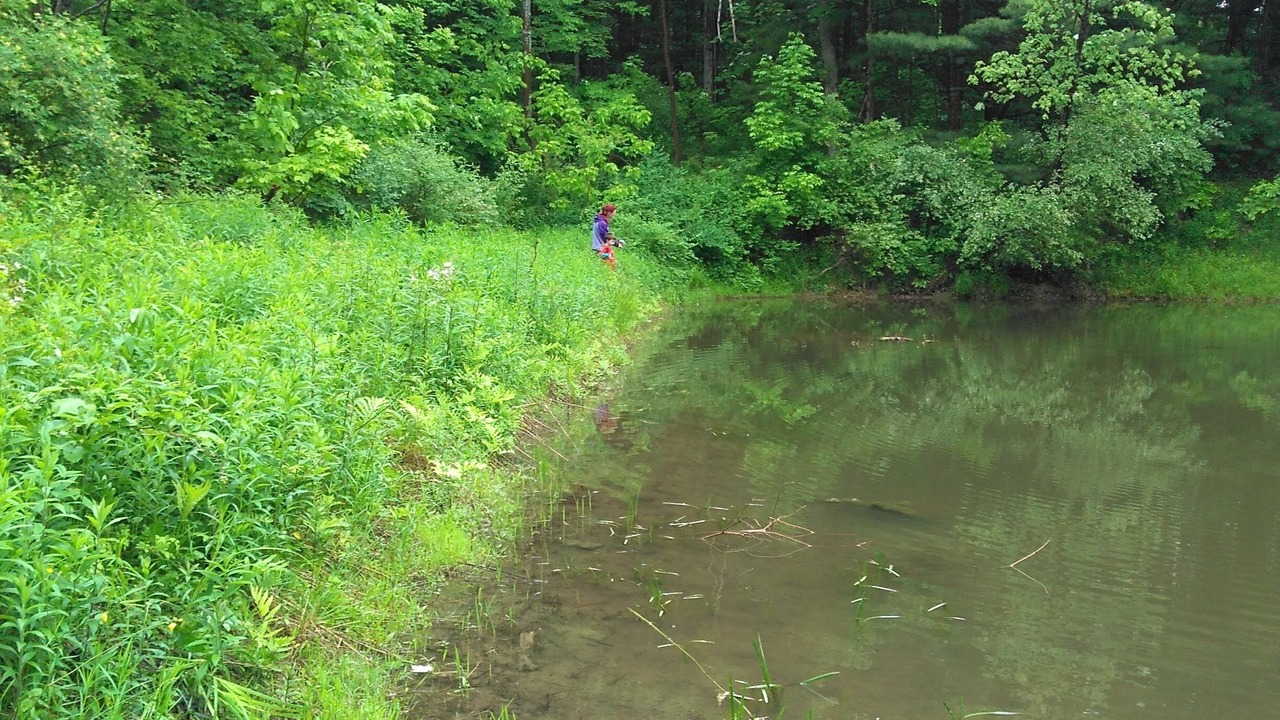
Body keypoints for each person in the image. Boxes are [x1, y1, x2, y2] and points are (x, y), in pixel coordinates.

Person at [592, 204, 617, 268]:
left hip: (598, 247)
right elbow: (605, 237)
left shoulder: (598, 220)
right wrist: (616, 243)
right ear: (609, 213)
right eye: (614, 213)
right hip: (601, 248)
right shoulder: (602, 223)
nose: (614, 214)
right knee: (608, 266)